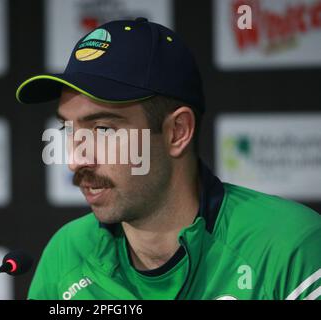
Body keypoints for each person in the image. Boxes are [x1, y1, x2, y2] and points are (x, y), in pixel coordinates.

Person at [16, 18, 321, 300]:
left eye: (104, 129)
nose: (75, 160)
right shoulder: (67, 253)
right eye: (70, 130)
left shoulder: (290, 245)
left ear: (178, 132)